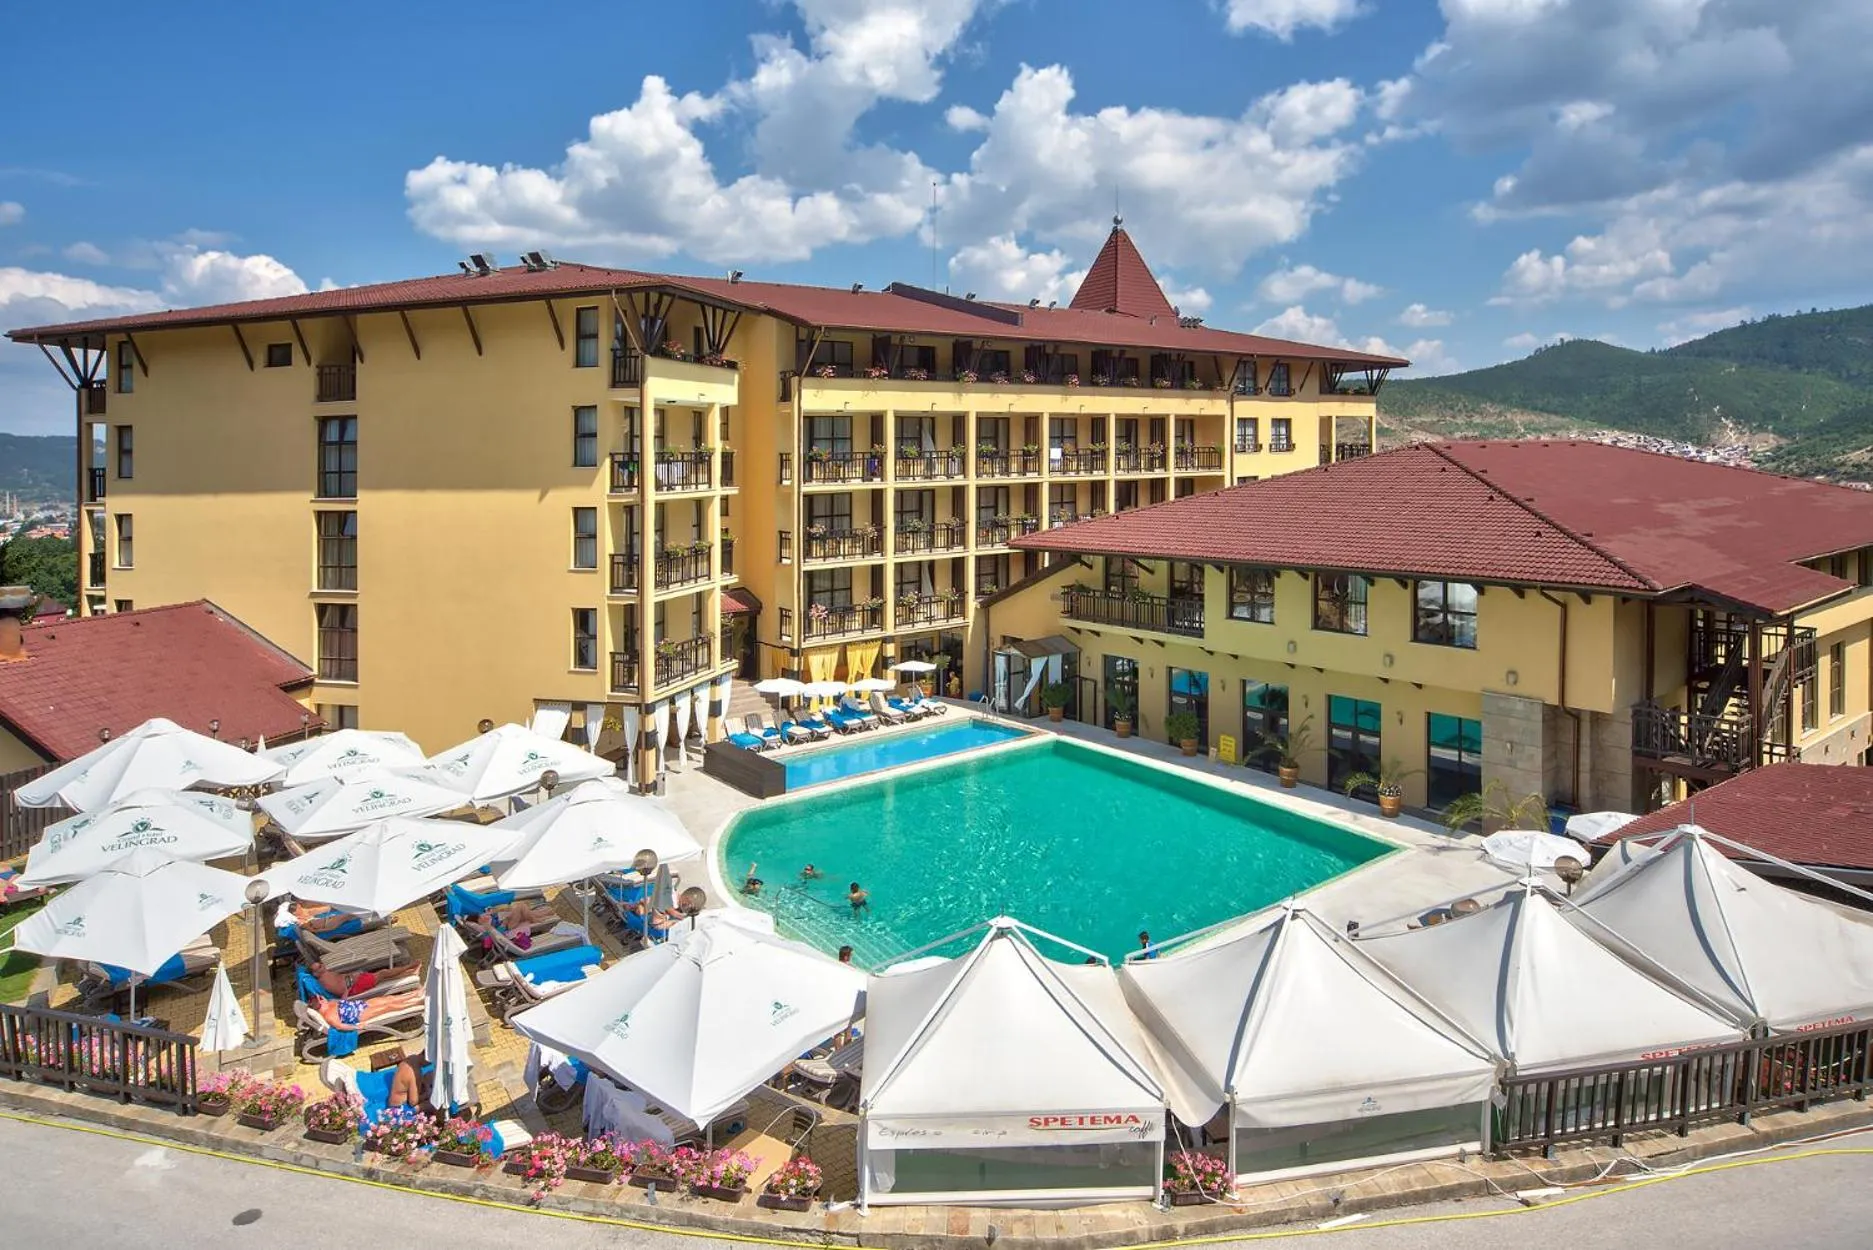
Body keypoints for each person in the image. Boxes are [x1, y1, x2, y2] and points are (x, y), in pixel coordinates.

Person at [313, 986, 424, 1033]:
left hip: (360, 1004)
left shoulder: (330, 1002)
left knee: (388, 999)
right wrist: (357, 1027)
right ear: (320, 1003)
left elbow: (343, 1002)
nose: (323, 997)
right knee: (388, 1007)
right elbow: (340, 1026)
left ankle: (414, 995)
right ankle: (416, 1003)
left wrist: (346, 992)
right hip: (359, 1015)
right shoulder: (328, 1016)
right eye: (321, 998)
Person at [307, 958, 419, 999]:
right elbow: (342, 990)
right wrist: (353, 979)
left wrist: (352, 975)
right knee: (383, 973)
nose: (323, 966)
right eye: (319, 968)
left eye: (321, 964)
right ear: (316, 974)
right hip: (356, 986)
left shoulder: (326, 974)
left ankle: (410, 973)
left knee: (383, 977)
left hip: (356, 981)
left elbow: (341, 979)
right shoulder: (325, 981)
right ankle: (409, 967)